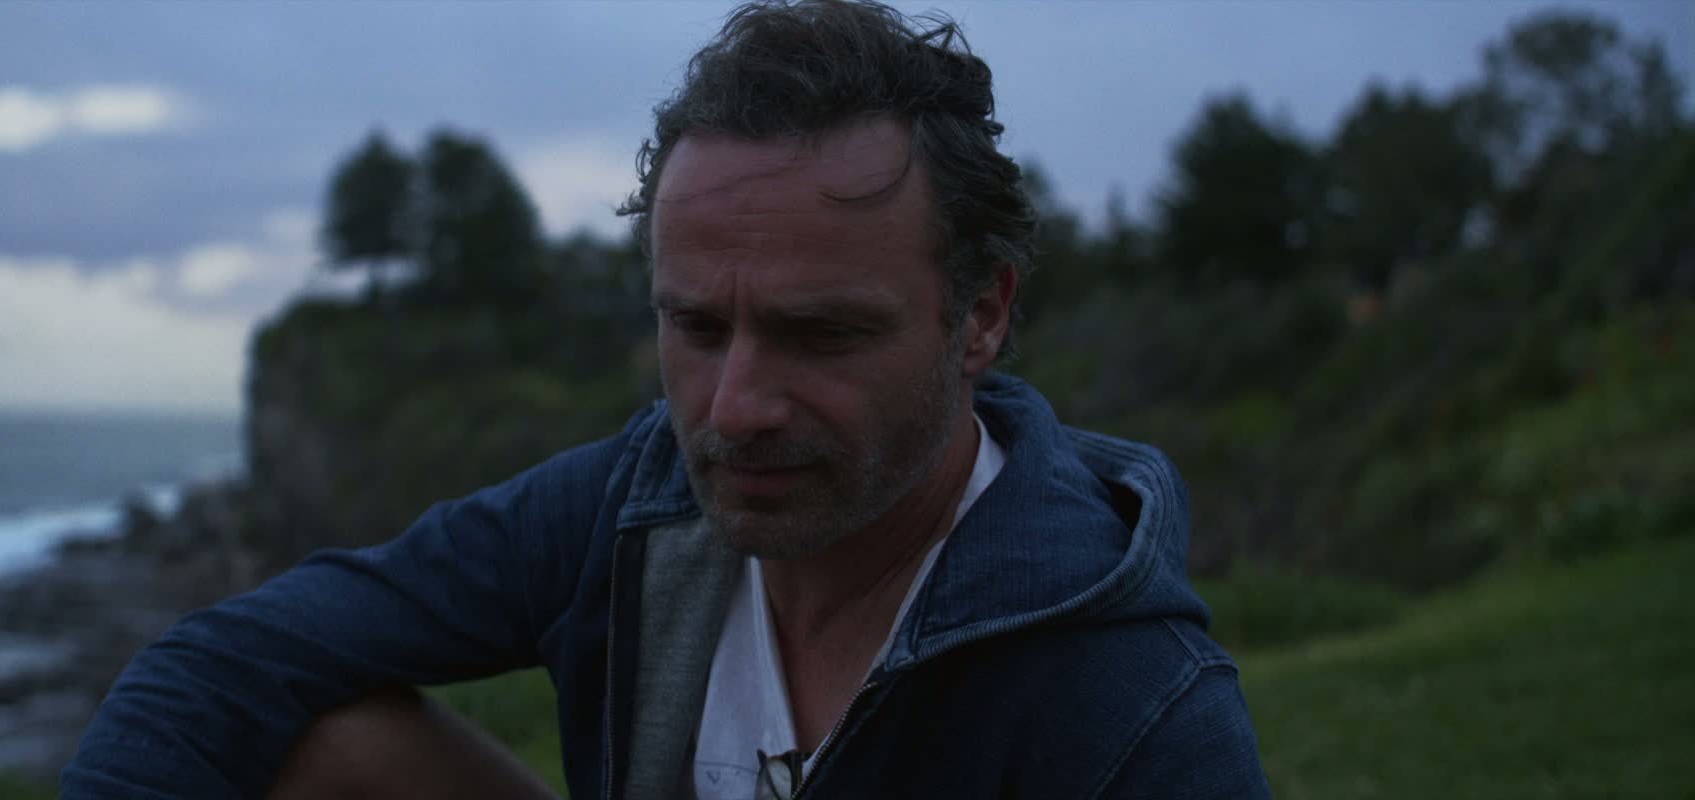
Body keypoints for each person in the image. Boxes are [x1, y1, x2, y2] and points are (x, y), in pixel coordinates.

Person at [63, 1, 1269, 797]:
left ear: (983, 315)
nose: (733, 409)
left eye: (821, 332)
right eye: (695, 326)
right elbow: (223, 659)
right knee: (337, 744)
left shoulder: (1134, 709)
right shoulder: (636, 504)